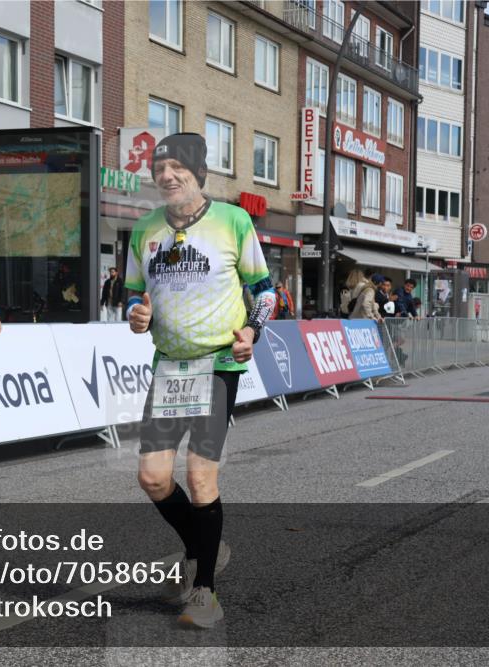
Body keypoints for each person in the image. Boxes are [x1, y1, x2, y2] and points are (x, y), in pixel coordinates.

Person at [125, 133, 275, 629]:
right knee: (152, 477)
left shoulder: (233, 220)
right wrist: (136, 314)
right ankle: (204, 548)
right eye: (159, 168)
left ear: (198, 172)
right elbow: (132, 294)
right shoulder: (144, 228)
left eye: (177, 167)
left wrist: (252, 331)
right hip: (169, 367)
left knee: (199, 477)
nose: (166, 176)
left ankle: (205, 592)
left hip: (218, 364)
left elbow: (265, 292)